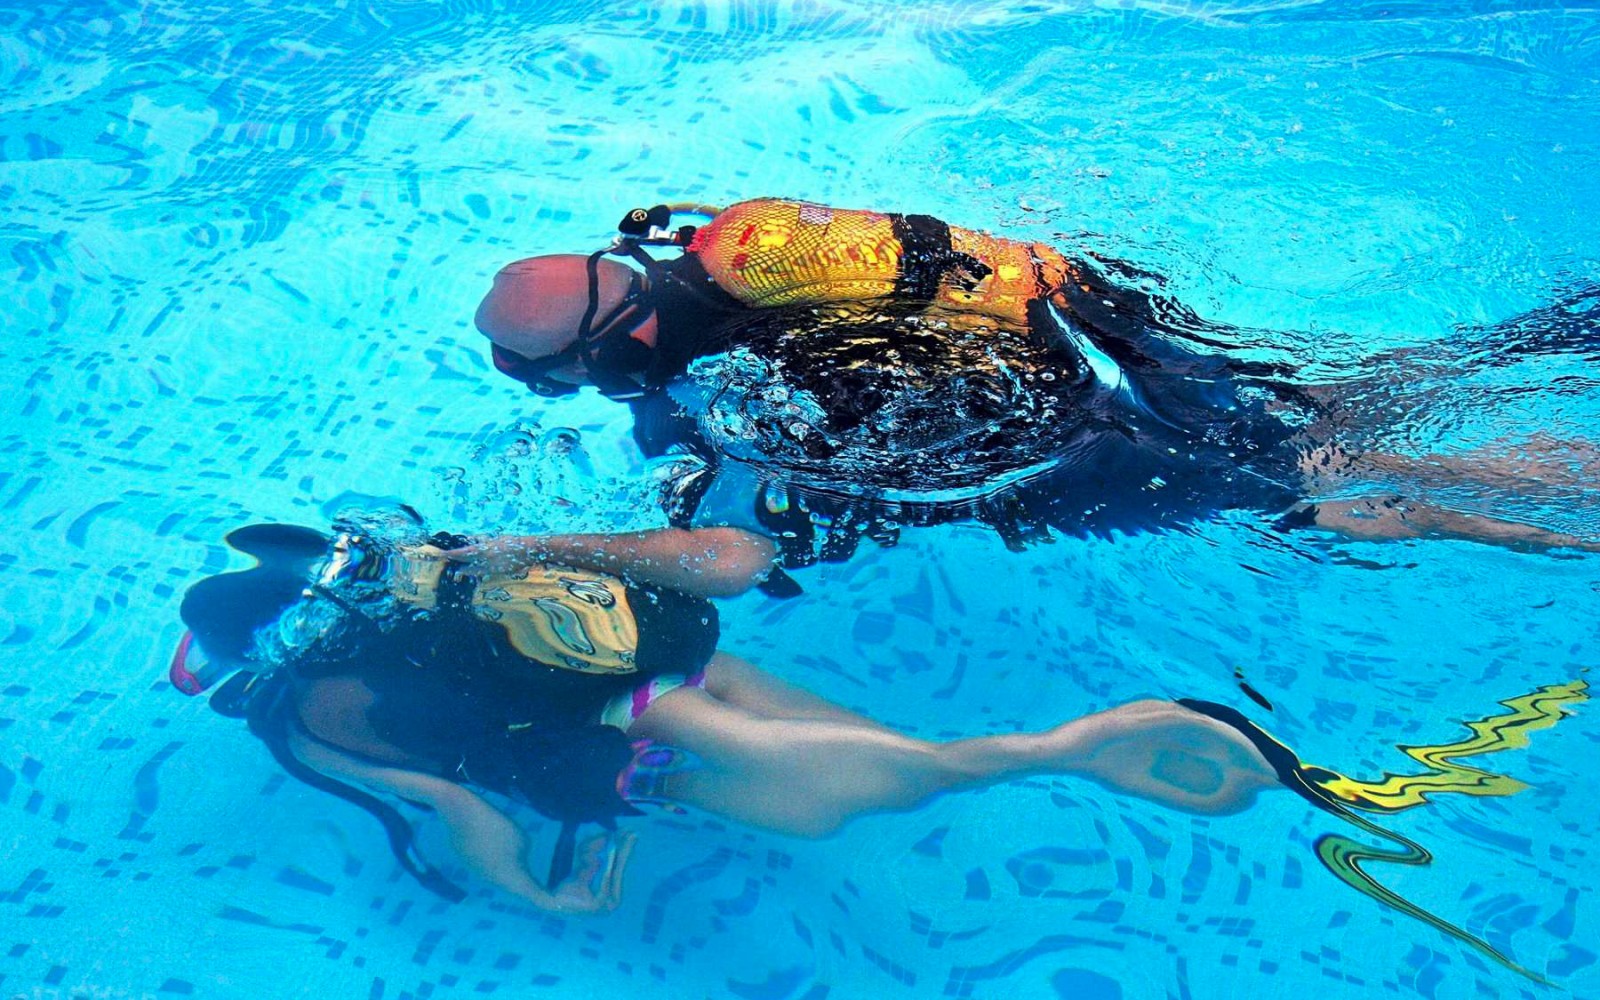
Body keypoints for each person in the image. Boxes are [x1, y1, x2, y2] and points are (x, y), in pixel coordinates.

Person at [172, 512, 1582, 986]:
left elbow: (450, 813)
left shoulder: (307, 718)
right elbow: (707, 562)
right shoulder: (438, 569)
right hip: (677, 660)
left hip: (630, 744)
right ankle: (1030, 749)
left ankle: (1058, 752)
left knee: (837, 801)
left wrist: (539, 893)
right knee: (857, 747)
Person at [475, 198, 1600, 561]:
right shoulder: (734, 245)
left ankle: (1564, 511)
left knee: (1323, 490)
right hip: (1089, 315)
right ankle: (1541, 338)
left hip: (1075, 442)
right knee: (1312, 411)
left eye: (538, 373)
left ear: (607, 351)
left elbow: (732, 549)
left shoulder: (714, 390)